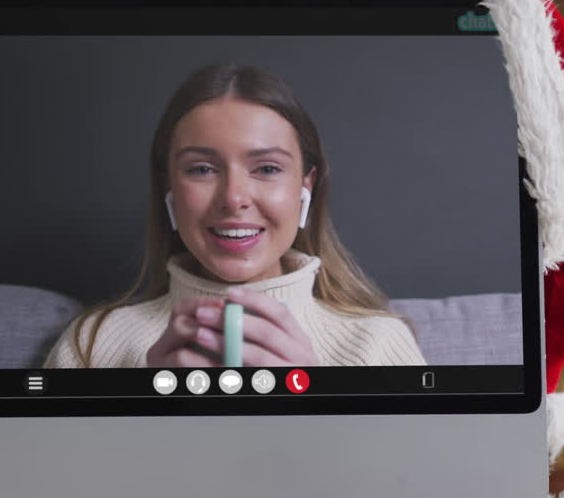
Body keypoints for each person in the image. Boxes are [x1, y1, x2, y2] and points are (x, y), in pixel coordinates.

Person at [43, 63, 426, 369]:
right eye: (202, 169)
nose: (233, 199)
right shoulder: (92, 344)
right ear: (168, 189)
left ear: (305, 187)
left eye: (267, 169)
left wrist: (316, 403)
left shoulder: (376, 345)